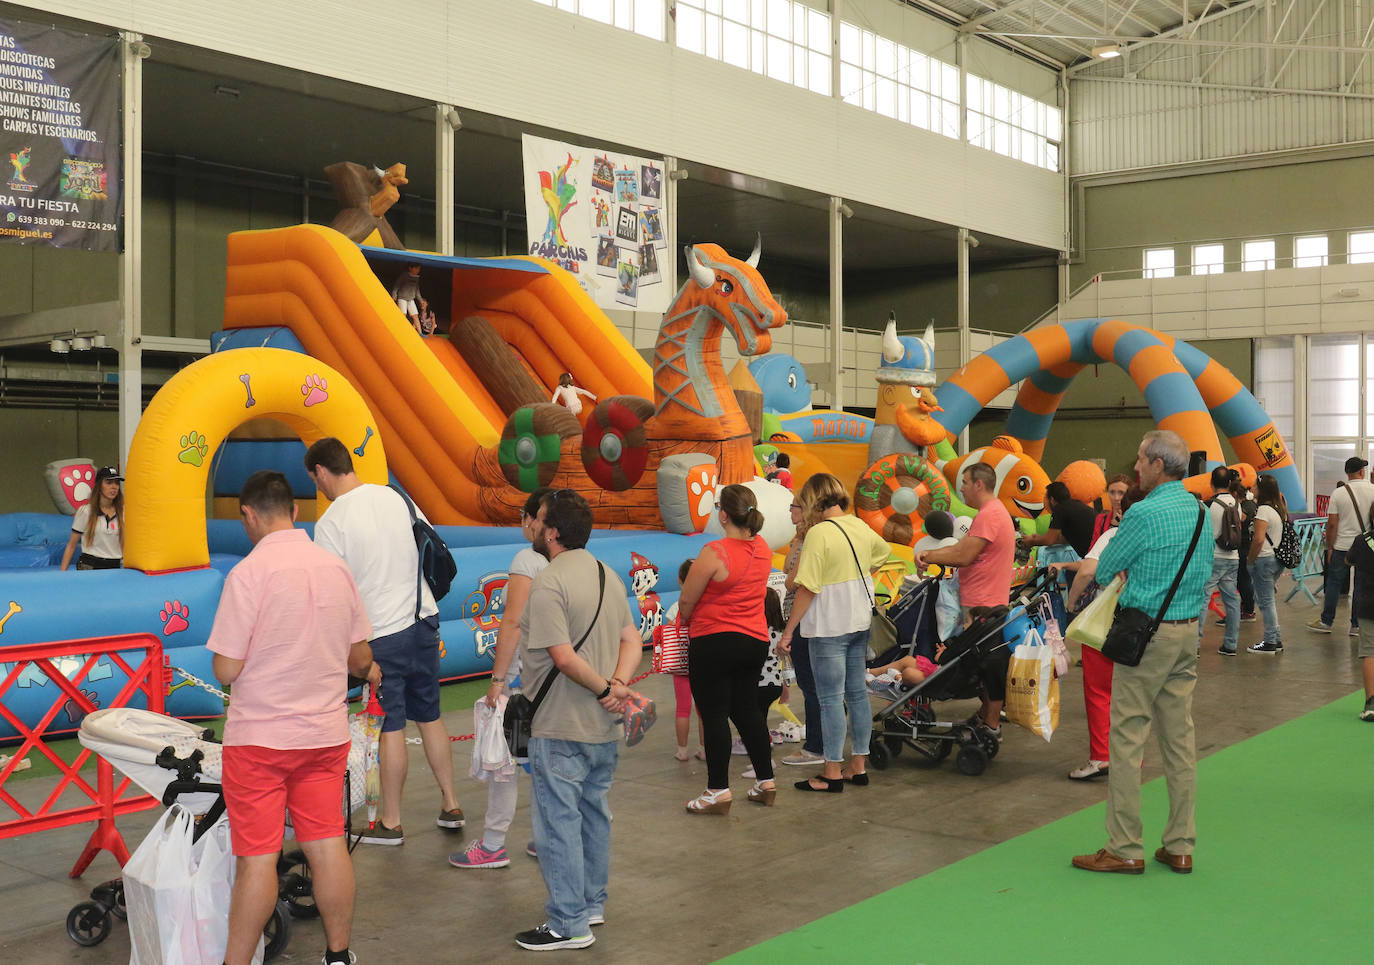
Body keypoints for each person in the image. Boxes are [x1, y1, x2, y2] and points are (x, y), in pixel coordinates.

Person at [206, 471, 375, 965]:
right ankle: (339, 954)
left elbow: (227, 668)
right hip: (323, 735)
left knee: (258, 857)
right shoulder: (334, 568)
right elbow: (360, 658)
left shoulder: (248, 575)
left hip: (259, 740)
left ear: (248, 516)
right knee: (326, 845)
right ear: (296, 511)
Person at [303, 437, 464, 845]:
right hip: (423, 620)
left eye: (314, 479)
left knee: (391, 726)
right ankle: (451, 802)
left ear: (321, 472)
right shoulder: (397, 497)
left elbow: (332, 595)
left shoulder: (331, 523)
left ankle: (391, 820)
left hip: (382, 636)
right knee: (429, 716)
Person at [1072, 430, 1211, 876]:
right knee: (1179, 739)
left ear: (1156, 464)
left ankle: (1125, 846)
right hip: (1188, 633)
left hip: (1146, 636)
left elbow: (1108, 567)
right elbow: (1206, 570)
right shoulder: (1200, 511)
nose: (1134, 468)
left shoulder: (1143, 513)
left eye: (1139, 460)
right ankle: (1181, 844)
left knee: (1128, 739)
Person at [515, 489, 642, 951]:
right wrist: (618, 685)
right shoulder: (607, 575)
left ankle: (568, 922)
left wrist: (608, 689)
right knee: (594, 815)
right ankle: (590, 903)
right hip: (601, 728)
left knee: (557, 823)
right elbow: (632, 638)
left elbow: (563, 658)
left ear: (552, 531)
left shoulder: (550, 582)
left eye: (539, 519)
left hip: (561, 723)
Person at [450, 487, 550, 870]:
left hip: (521, 682)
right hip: (550, 681)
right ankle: (547, 836)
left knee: (504, 764)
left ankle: (493, 845)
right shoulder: (571, 563)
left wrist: (497, 680)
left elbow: (512, 621)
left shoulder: (527, 560)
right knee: (539, 762)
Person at [778, 473, 889, 793]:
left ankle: (830, 773)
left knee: (829, 700)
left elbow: (807, 588)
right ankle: (857, 766)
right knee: (857, 695)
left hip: (827, 627)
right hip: (858, 624)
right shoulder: (859, 525)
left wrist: (788, 632)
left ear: (813, 500)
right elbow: (882, 554)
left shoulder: (819, 534)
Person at [677, 484, 776, 813]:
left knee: (715, 713)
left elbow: (688, 598)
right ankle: (765, 781)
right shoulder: (762, 548)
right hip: (754, 641)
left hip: (715, 640)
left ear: (722, 514)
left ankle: (717, 790)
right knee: (747, 711)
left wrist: (685, 623)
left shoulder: (714, 552)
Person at [1050, 487, 1145, 781]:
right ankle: (1132, 757)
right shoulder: (1158, 540)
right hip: (1149, 624)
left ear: (1122, 511)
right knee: (1135, 694)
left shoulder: (1113, 537)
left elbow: (1087, 571)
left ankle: (1101, 757)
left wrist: (1071, 602)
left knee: (1100, 691)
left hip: (1108, 624)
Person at [913, 462, 1015, 733]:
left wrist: (928, 555)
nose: (962, 489)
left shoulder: (990, 514)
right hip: (984, 601)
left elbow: (963, 556)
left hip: (985, 603)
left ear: (978, 484)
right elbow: (963, 547)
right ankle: (985, 716)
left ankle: (990, 722)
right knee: (983, 664)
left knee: (988, 664)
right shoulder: (991, 512)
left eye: (965, 483)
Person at [778, 496, 824, 767]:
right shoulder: (802, 538)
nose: (790, 511)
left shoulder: (810, 542)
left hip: (802, 617)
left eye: (794, 506)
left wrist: (788, 631)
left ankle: (815, 746)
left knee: (809, 683)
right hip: (802, 615)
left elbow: (793, 579)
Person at [1308, 456, 1374, 636]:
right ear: (1362, 471)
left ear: (1347, 473)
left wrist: (1330, 547)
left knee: (1334, 584)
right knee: (1360, 585)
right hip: (1366, 547)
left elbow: (1332, 524)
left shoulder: (1338, 493)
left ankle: (1326, 621)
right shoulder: (1373, 490)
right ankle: (1356, 626)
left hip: (1342, 546)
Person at [1198, 466, 1243, 657]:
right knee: (1232, 601)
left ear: (1211, 483)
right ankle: (1231, 644)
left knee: (1203, 600)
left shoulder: (1209, 506)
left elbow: (1205, 534)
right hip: (1233, 558)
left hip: (1213, 558)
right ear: (1230, 483)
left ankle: (1195, 645)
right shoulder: (1236, 503)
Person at [664, 558, 705, 763]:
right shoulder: (706, 604)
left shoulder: (675, 607)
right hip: (704, 661)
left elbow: (670, 633)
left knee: (682, 707)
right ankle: (704, 749)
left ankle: (682, 750)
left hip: (681, 663)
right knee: (703, 709)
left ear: (680, 581)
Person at [1246, 475, 1288, 655]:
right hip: (1275, 559)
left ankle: (1270, 642)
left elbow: (1258, 539)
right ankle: (1275, 639)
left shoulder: (1263, 510)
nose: (1252, 488)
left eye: (1255, 486)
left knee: (1266, 602)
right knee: (1268, 600)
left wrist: (1250, 559)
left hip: (1263, 559)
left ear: (1261, 489)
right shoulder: (1278, 508)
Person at [60, 466, 124, 571]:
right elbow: (72, 545)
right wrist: (62, 574)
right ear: (99, 486)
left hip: (114, 567)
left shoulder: (123, 512)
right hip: (90, 566)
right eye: (109, 483)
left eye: (116, 483)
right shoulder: (86, 511)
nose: (114, 487)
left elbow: (124, 545)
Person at [1022, 480, 1097, 558]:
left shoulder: (1059, 509)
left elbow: (1049, 540)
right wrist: (1039, 538)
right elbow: (1062, 539)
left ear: (1052, 499)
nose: (1044, 502)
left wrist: (1031, 541)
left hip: (1094, 555)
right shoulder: (1075, 505)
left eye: (1045, 498)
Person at [1090, 474, 1133, 545]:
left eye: (1121, 493)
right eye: (1112, 492)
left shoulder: (1135, 518)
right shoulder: (1101, 519)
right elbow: (1093, 547)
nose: (1116, 498)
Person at [391, 262, 428, 335]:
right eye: (416, 268)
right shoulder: (404, 276)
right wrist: (394, 296)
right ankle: (401, 331)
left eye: (419, 269)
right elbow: (396, 286)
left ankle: (420, 333)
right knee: (403, 315)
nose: (418, 270)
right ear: (410, 268)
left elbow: (417, 291)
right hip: (402, 298)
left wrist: (421, 300)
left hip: (411, 299)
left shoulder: (417, 278)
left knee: (415, 316)